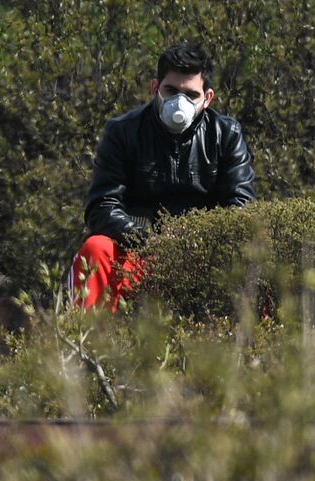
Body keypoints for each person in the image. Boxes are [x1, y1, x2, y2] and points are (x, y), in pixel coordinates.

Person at [69, 42, 256, 311]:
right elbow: (102, 206)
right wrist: (145, 241)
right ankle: (87, 345)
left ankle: (258, 348)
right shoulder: (122, 132)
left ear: (208, 98)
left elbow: (241, 207)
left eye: (191, 94)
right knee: (96, 248)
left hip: (203, 259)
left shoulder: (226, 134)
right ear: (155, 88)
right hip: (137, 253)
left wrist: (201, 242)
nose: (180, 102)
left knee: (262, 264)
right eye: (171, 90)